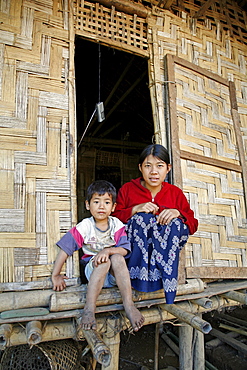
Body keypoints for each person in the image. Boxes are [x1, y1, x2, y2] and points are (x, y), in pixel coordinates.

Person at [52, 180, 144, 332]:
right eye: (96, 202)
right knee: (103, 262)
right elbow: (65, 249)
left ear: (113, 207)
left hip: (115, 276)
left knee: (117, 257)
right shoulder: (85, 226)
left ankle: (129, 305)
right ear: (88, 205)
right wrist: (55, 275)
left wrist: (107, 251)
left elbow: (125, 250)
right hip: (94, 272)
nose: (101, 206)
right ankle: (89, 308)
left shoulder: (117, 225)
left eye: (107, 202)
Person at [113, 144, 198, 304]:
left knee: (175, 224)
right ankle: (137, 277)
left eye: (159, 166)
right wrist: (135, 209)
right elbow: (114, 220)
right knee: (142, 219)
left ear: (168, 168)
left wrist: (177, 213)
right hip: (136, 248)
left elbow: (193, 224)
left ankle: (165, 278)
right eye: (148, 166)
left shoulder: (175, 193)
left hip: (165, 252)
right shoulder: (128, 189)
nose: (153, 171)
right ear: (140, 168)